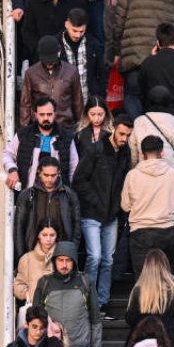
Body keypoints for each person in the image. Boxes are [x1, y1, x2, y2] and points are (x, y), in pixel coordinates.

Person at [72, 114, 134, 316]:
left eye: (128, 135)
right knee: (95, 257)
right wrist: (97, 201)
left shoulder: (125, 153)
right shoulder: (95, 149)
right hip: (92, 212)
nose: (124, 138)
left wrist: (117, 207)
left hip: (111, 214)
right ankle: (89, 302)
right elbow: (79, 180)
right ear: (114, 128)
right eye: (122, 133)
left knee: (107, 259)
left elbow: (124, 183)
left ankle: (102, 303)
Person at [33, 241, 101, 347]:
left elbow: (95, 317)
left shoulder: (85, 281)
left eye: (68, 260)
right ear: (54, 261)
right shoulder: (45, 283)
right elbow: (36, 318)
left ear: (74, 262)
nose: (64, 264)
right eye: (60, 260)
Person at [121, 136, 174, 273]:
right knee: (166, 279)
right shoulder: (173, 174)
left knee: (143, 280)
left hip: (140, 233)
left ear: (142, 154)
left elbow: (125, 206)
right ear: (162, 153)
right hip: (167, 232)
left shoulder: (132, 175)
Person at [3, 98, 81, 191]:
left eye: (49, 114)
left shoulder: (66, 137)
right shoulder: (23, 134)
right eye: (42, 114)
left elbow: (74, 168)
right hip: (29, 194)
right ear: (36, 115)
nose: (46, 118)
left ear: (55, 114)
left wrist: (69, 194)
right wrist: (12, 170)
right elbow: (7, 154)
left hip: (57, 196)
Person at [14, 156, 83, 259]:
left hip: (61, 253)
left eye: (53, 175)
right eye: (46, 175)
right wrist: (22, 257)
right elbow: (19, 228)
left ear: (59, 173)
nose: (50, 179)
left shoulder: (69, 195)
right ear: (39, 173)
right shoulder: (27, 195)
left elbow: (76, 227)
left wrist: (70, 252)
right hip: (33, 252)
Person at [23, 0, 88, 65]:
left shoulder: (77, 1)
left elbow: (85, 29)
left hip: (69, 57)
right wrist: (40, 48)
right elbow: (28, 31)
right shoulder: (34, 2)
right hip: (41, 57)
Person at [21, 37, 86, 130]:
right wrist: (25, 130)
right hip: (40, 127)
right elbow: (25, 104)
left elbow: (78, 102)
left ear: (59, 53)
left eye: (52, 60)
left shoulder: (71, 71)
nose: (49, 63)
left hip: (65, 125)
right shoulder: (31, 73)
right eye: (46, 60)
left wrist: (81, 128)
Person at [130, 86, 174, 181]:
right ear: (168, 102)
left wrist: (135, 170)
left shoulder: (139, 122)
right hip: (171, 173)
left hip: (145, 172)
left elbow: (133, 154)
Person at [59, 8, 105, 107]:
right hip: (63, 104)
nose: (77, 35)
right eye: (74, 30)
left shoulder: (93, 44)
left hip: (88, 103)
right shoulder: (56, 44)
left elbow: (102, 73)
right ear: (66, 24)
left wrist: (99, 99)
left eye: (81, 31)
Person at [14, 221, 59, 303]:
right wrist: (29, 294)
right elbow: (18, 285)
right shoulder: (27, 259)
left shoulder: (62, 258)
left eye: (52, 235)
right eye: (44, 235)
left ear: (56, 236)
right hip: (35, 310)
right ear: (38, 235)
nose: (48, 239)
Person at [73, 96, 112, 161]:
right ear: (87, 113)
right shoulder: (79, 133)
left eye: (100, 114)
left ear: (106, 114)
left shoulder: (112, 132)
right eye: (92, 114)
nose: (96, 118)